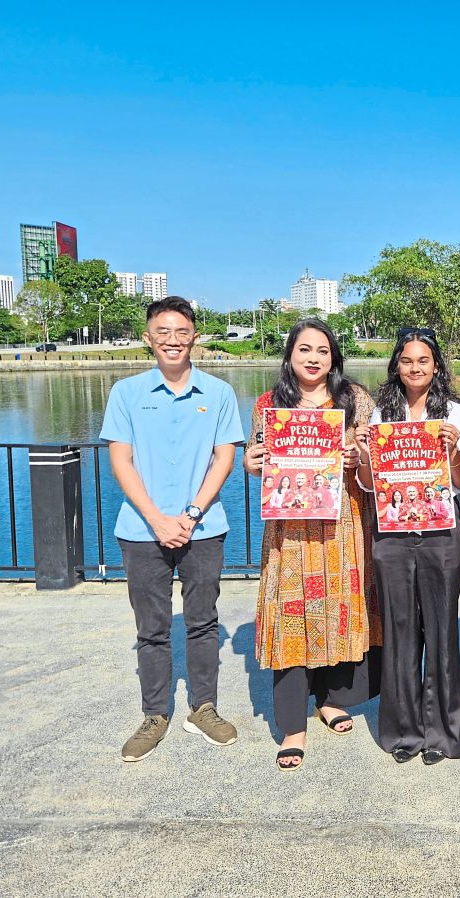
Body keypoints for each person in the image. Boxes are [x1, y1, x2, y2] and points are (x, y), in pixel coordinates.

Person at [100, 296, 244, 763]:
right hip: (142, 529)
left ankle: (204, 708)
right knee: (152, 628)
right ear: (148, 339)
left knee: (203, 622)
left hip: (202, 527)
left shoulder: (219, 394)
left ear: (194, 336)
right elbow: (120, 459)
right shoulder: (126, 393)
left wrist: (190, 514)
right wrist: (158, 519)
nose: (173, 341)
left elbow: (225, 457)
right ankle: (154, 715)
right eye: (163, 332)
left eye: (181, 332)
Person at [241, 318, 382, 771]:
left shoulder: (357, 401)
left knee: (337, 608)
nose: (314, 358)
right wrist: (252, 462)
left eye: (323, 350)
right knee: (292, 614)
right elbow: (258, 463)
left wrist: (356, 455)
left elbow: (372, 466)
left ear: (334, 357)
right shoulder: (269, 404)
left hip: (342, 525)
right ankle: (292, 723)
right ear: (290, 355)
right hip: (290, 532)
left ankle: (332, 698)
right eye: (305, 349)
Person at [357, 327, 460, 765]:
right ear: (397, 366)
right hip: (391, 533)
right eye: (407, 361)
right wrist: (366, 454)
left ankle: (443, 733)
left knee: (442, 632)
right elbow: (368, 484)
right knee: (401, 632)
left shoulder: (457, 414)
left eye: (423, 361)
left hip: (442, 532)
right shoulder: (380, 415)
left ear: (436, 366)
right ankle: (404, 732)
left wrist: (456, 452)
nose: (415, 368)